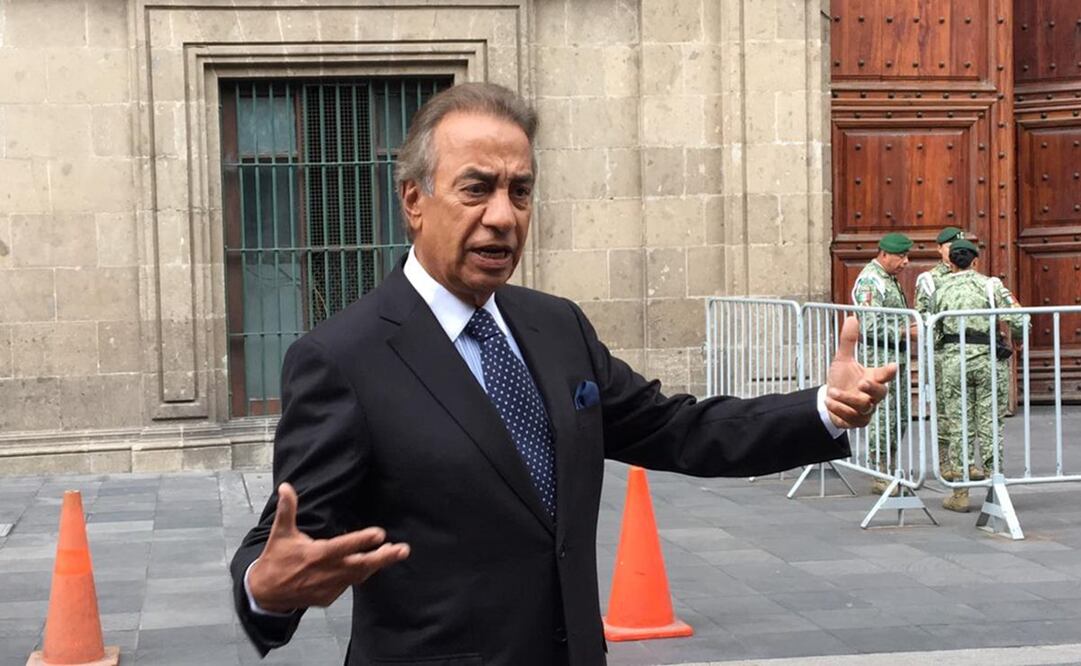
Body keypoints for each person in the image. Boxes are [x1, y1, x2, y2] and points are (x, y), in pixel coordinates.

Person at [229, 82, 896, 666]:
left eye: (520, 192)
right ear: (414, 200)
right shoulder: (344, 358)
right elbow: (287, 538)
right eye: (476, 188)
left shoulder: (556, 328)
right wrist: (266, 586)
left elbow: (675, 430)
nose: (502, 215)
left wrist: (822, 410)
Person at [931, 238, 1027, 512]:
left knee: (958, 423)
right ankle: (995, 486)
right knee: (990, 423)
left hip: (954, 361)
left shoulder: (940, 287)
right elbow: (1020, 317)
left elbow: (932, 327)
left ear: (950, 262)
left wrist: (944, 345)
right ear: (975, 261)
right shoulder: (991, 285)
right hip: (987, 360)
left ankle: (960, 493)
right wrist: (1017, 339)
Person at [850, 232, 914, 494]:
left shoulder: (889, 279)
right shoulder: (870, 280)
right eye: (901, 256)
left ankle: (889, 466)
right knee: (884, 415)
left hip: (894, 356)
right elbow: (870, 323)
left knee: (899, 414)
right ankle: (879, 470)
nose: (906, 262)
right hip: (879, 357)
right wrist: (904, 331)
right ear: (884, 254)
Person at [914, 227, 966, 482]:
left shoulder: (970, 276)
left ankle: (966, 460)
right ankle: (946, 462)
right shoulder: (930, 279)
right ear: (940, 249)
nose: (955, 252)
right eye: (950, 247)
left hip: (969, 352)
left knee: (969, 408)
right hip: (942, 352)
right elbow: (922, 315)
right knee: (945, 410)